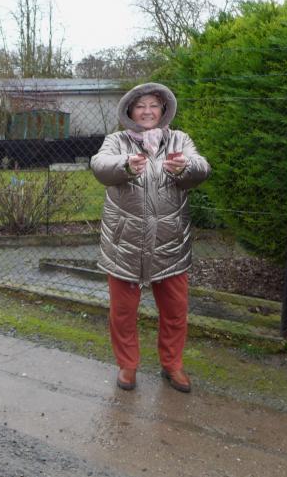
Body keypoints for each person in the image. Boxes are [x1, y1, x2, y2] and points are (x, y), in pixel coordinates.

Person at [90, 82, 210, 393]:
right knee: (122, 313)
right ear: (130, 111)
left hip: (170, 243)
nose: (147, 111)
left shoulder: (179, 139)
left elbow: (202, 167)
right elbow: (99, 166)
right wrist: (125, 165)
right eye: (140, 106)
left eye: (153, 105)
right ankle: (127, 365)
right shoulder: (117, 141)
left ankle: (172, 365)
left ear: (163, 109)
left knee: (175, 311)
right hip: (124, 244)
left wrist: (185, 167)